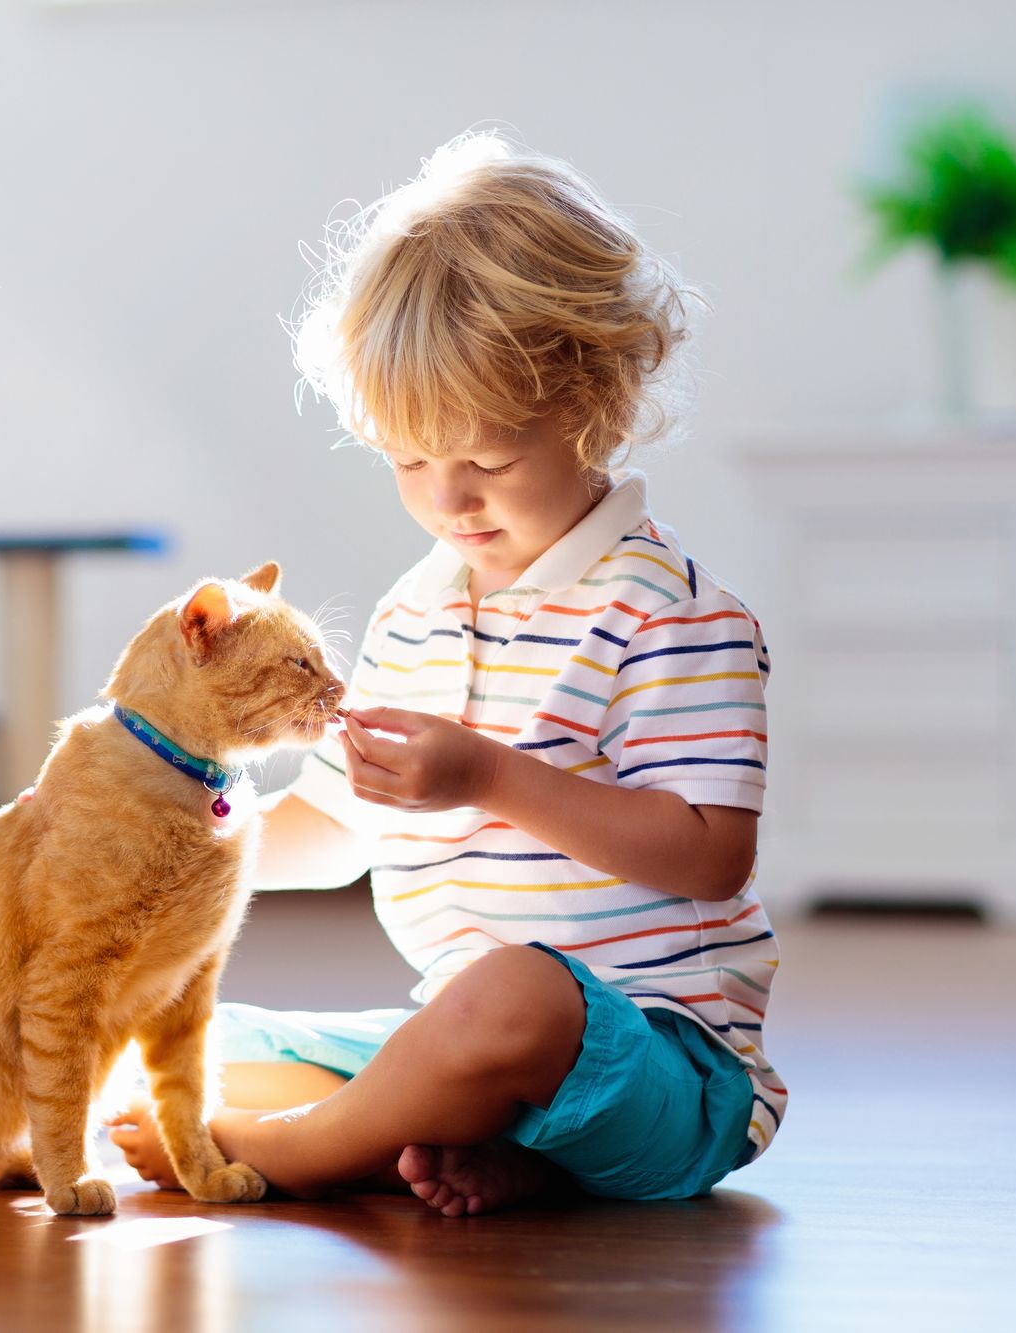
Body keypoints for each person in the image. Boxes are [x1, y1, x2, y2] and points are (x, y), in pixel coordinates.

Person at [107, 132, 785, 1215]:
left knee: (511, 993)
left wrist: (488, 778)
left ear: (591, 402)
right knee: (184, 1036)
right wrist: (176, 841)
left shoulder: (667, 611)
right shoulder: (413, 614)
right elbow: (338, 829)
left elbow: (708, 855)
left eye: (488, 460)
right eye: (408, 460)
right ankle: (457, 1148)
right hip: (462, 1044)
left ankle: (301, 1149)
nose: (447, 500)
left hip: (660, 1069)